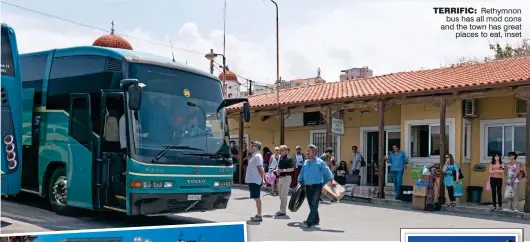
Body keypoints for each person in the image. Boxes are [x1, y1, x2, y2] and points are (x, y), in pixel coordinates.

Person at [298, 144, 337, 228]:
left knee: (314, 203)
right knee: (310, 204)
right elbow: (302, 172)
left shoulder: (320, 162)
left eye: (309, 151)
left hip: (317, 186)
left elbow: (327, 171)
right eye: (307, 151)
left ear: (314, 153)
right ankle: (316, 219)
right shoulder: (305, 162)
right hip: (307, 185)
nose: (307, 152)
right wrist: (299, 180)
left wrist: (332, 180)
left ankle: (310, 221)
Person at [245, 141, 266, 222]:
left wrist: (263, 179)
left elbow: (260, 168)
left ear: (257, 147)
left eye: (253, 145)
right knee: (256, 197)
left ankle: (259, 215)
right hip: (253, 180)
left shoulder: (257, 156)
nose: (251, 146)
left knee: (257, 197)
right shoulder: (254, 156)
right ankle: (258, 214)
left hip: (255, 180)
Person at [274, 145, 294, 216]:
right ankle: (282, 209)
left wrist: (282, 170)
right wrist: (277, 171)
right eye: (279, 150)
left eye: (281, 150)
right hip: (281, 178)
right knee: (280, 195)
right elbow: (279, 168)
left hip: (286, 177)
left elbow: (292, 169)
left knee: (283, 194)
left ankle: (283, 211)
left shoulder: (289, 159)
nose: (280, 152)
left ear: (286, 151)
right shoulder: (280, 158)